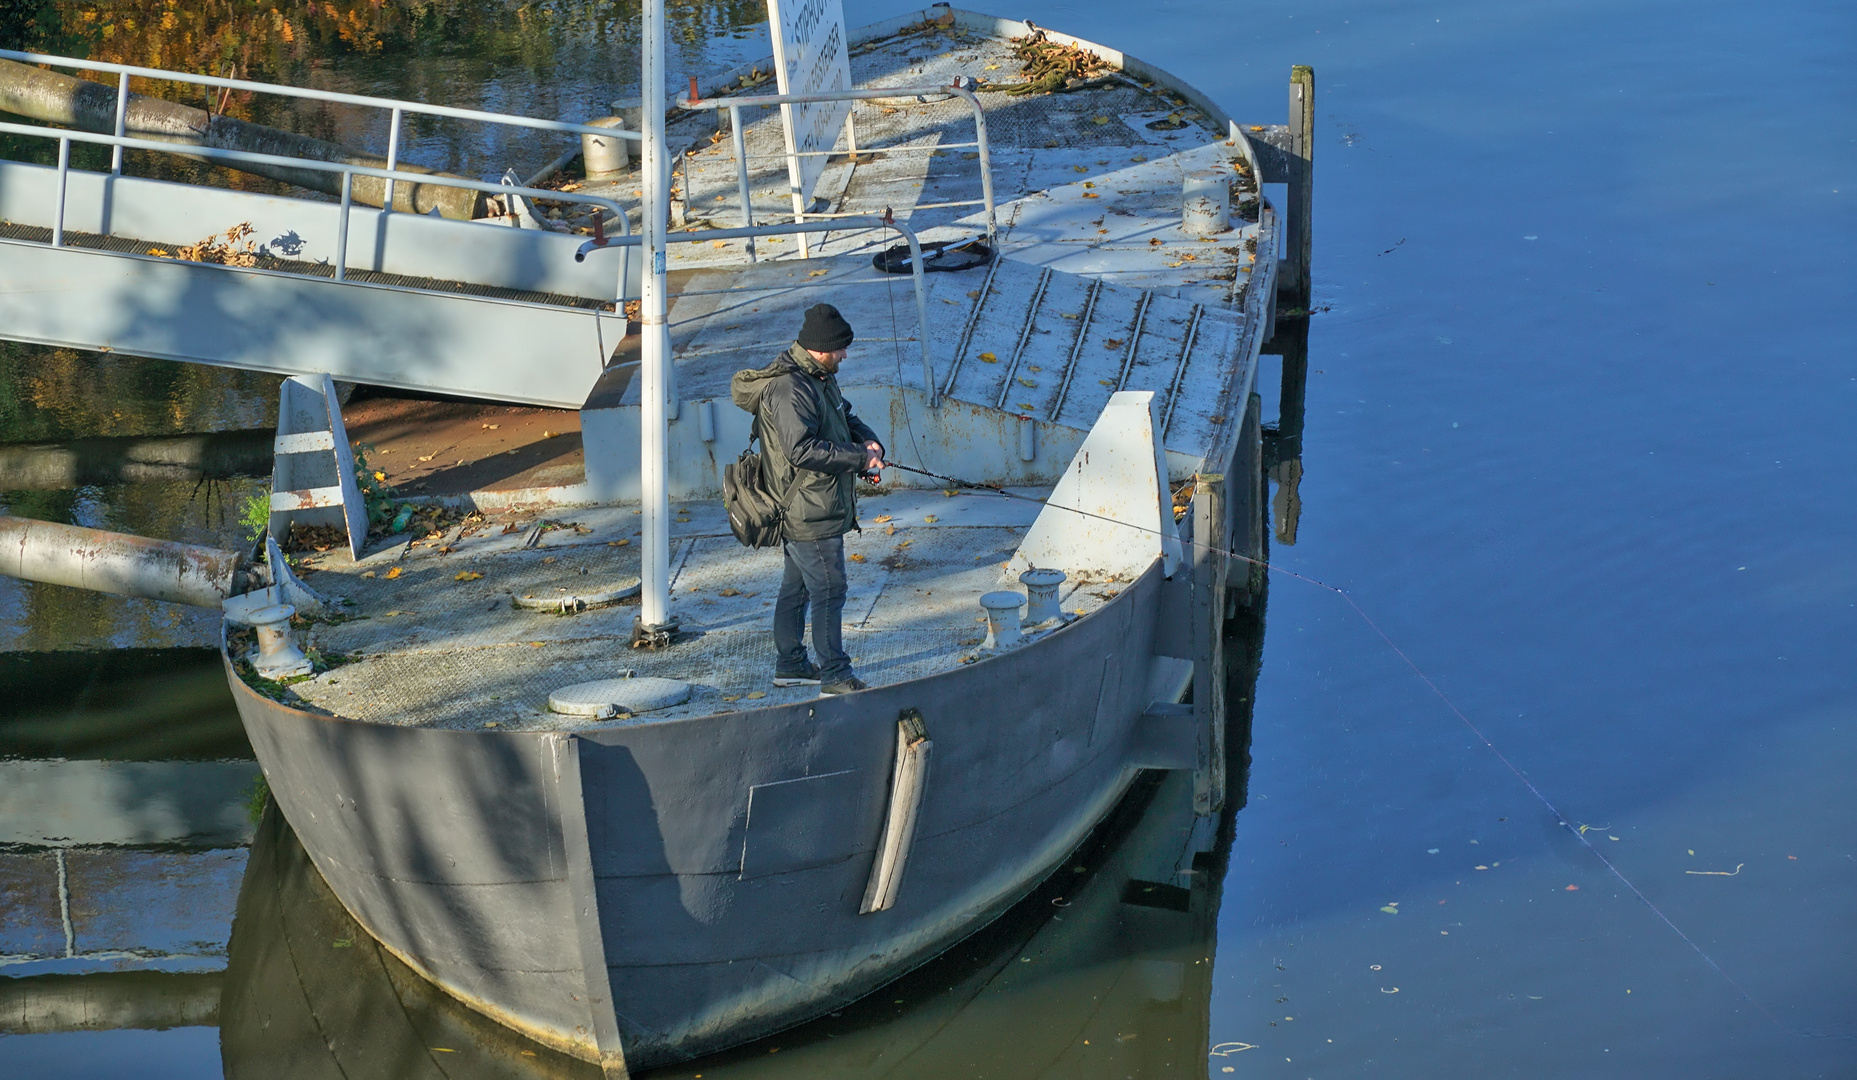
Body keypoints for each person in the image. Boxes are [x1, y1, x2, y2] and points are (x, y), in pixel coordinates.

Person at [729, 303, 884, 695]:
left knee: (796, 588)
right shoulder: (790, 388)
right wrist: (858, 458)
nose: (845, 355)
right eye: (841, 349)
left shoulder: (819, 377)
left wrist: (867, 440)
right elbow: (801, 450)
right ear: (821, 348)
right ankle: (835, 674)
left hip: (818, 504)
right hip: (806, 511)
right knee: (830, 589)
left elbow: (843, 416)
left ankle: (791, 664)